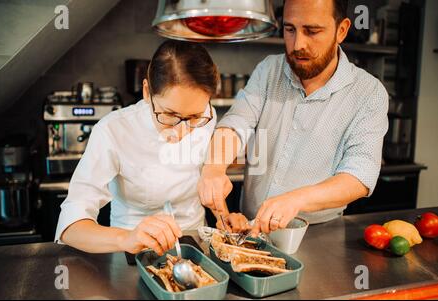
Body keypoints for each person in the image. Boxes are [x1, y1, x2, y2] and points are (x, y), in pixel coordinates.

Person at [198, 0, 389, 237]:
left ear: (341, 30)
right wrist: (215, 167)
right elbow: (237, 122)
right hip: (251, 228)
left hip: (318, 235)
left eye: (312, 31)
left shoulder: (368, 93)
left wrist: (297, 200)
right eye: (290, 30)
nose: (298, 44)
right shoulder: (269, 70)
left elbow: (360, 175)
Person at [55, 40, 246, 256]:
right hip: (132, 252)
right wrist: (125, 238)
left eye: (193, 117)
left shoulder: (204, 115)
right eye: (169, 115)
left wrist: (223, 217)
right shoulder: (113, 130)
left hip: (195, 246)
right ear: (147, 92)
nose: (181, 131)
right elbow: (70, 227)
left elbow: (204, 178)